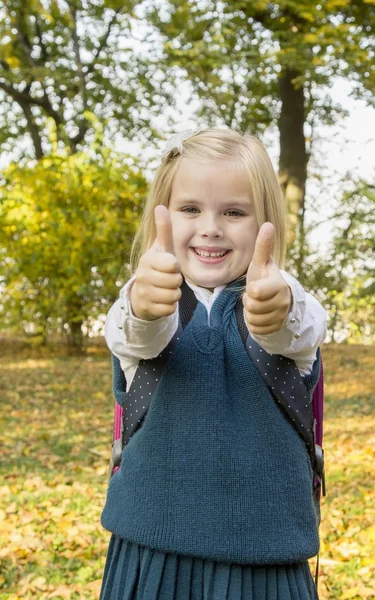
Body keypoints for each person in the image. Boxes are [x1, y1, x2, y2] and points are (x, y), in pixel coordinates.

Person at [100, 128, 327, 600]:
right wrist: (144, 305)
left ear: (265, 220)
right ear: (162, 215)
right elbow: (138, 335)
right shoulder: (140, 303)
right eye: (190, 209)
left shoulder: (288, 301)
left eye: (234, 212)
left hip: (264, 567)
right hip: (149, 559)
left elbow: (294, 329)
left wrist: (273, 309)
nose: (210, 227)